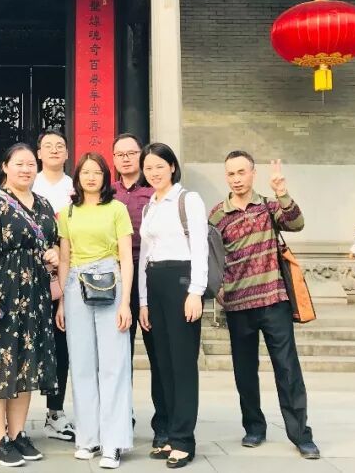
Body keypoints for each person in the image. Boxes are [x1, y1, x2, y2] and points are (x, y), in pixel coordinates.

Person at [208, 151, 319, 461]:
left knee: (288, 368)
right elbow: (210, 255)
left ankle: (301, 435)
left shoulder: (269, 207)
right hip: (238, 304)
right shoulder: (217, 215)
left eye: (241, 172)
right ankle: (254, 427)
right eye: (231, 174)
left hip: (274, 300)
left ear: (253, 174)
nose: (236, 179)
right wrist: (218, 289)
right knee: (245, 372)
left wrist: (282, 192)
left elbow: (297, 223)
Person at [0, 143, 59, 468]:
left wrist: (53, 255)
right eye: (19, 163)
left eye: (30, 164)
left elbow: (51, 243)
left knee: (25, 365)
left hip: (34, 298)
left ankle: (17, 434)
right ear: (5, 167)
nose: (26, 169)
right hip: (1, 295)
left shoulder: (43, 204)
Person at [56, 153, 133, 469]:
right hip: (76, 286)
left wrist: (126, 302)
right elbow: (64, 258)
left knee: (114, 365)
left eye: (97, 172)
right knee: (82, 365)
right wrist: (62, 301)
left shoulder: (117, 209)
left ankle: (113, 442)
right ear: (77, 177)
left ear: (105, 176)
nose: (91, 177)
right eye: (85, 172)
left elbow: (126, 257)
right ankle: (88, 437)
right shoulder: (68, 212)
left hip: (110, 283)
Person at [137, 143, 208, 469]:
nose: (154, 172)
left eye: (159, 166)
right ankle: (167, 433)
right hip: (155, 284)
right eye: (148, 167)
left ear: (172, 167)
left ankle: (183, 439)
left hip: (182, 283)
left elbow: (200, 247)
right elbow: (144, 256)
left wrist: (196, 291)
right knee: (162, 364)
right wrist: (143, 301)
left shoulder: (187, 199)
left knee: (182, 364)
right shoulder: (149, 205)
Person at [110, 133, 161, 440]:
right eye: (120, 154)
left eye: (131, 153)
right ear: (114, 159)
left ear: (141, 156)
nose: (126, 158)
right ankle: (121, 417)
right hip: (118, 280)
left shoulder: (155, 190)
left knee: (158, 353)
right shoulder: (108, 193)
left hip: (151, 276)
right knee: (119, 354)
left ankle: (162, 422)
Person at [32, 128, 75, 443]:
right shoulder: (27, 184)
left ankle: (55, 412)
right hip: (28, 278)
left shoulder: (75, 188)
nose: (54, 150)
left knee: (61, 348)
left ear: (67, 153)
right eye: (48, 146)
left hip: (65, 277)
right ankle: (12, 419)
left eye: (60, 145)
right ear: (38, 153)